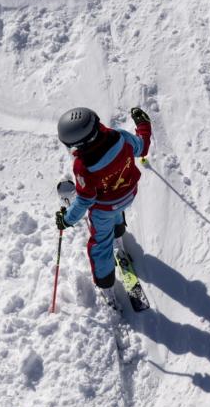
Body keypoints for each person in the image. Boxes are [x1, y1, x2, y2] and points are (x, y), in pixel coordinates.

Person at [54, 106, 152, 310]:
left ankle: (106, 285)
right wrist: (143, 124)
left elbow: (84, 201)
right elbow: (141, 147)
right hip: (128, 195)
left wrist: (66, 220)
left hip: (104, 209)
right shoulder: (121, 138)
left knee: (100, 246)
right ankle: (118, 237)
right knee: (117, 211)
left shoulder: (84, 167)